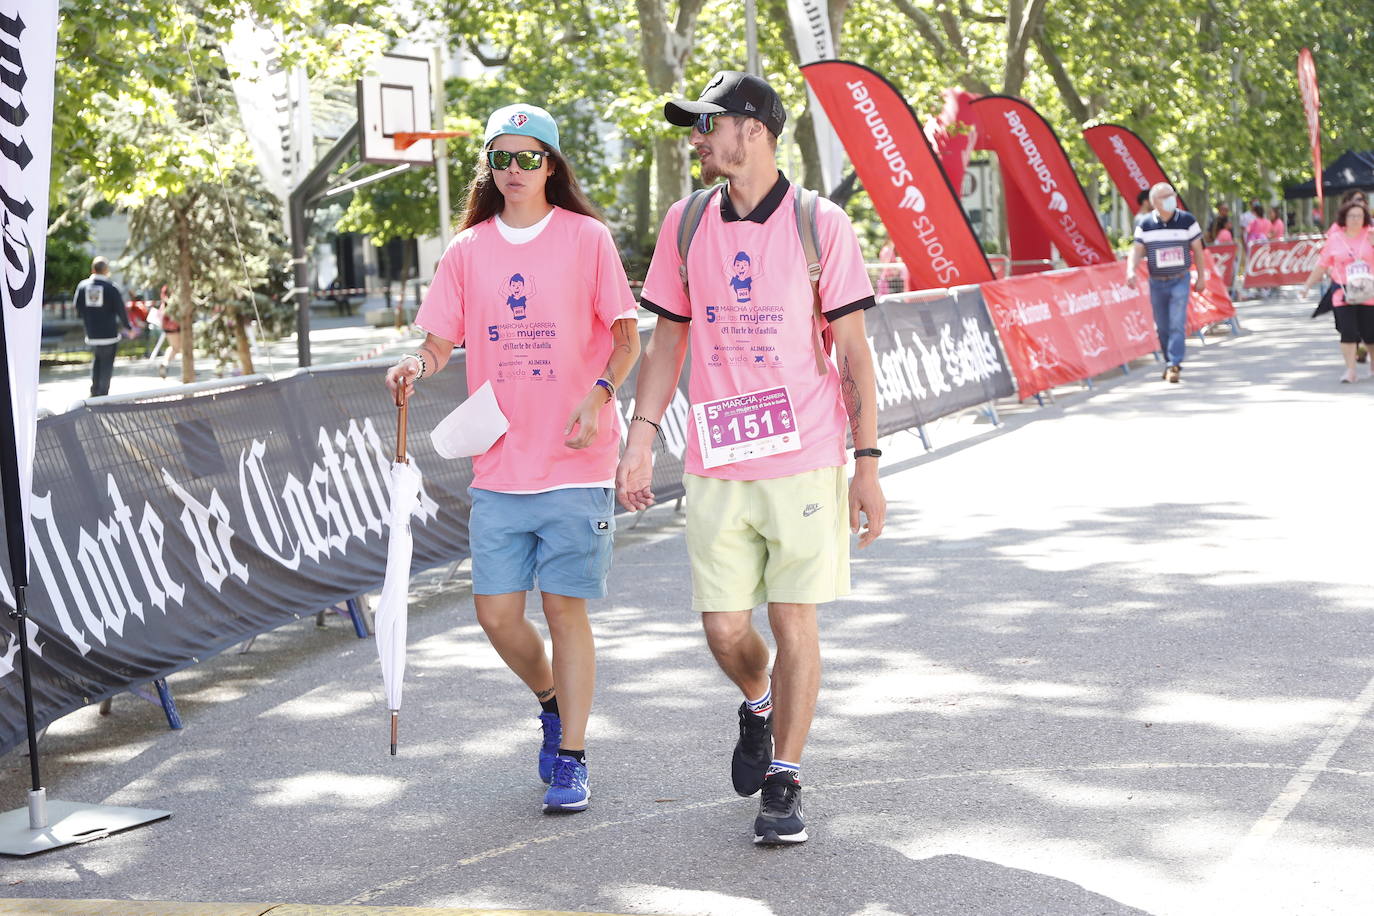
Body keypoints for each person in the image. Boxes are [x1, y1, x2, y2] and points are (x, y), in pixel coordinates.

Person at [617, 71, 886, 846]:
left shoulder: (818, 224)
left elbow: (855, 358)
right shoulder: (686, 221)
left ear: (755, 130)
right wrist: (643, 434)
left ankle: (786, 779)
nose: (697, 139)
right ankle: (758, 701)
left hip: (805, 453)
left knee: (792, 614)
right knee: (724, 626)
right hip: (718, 456)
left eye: (709, 125)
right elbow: (670, 337)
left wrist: (865, 465)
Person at [385, 103, 640, 814]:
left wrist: (599, 395)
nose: (516, 170)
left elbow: (627, 339)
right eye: (503, 158)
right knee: (496, 615)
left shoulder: (587, 239)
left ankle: (573, 757)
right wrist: (416, 363)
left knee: (564, 612)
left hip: (575, 461)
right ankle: (551, 701)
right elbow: (439, 342)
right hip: (500, 462)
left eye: (530, 158)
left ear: (552, 166)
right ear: (490, 166)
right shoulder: (467, 251)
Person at [1126, 182, 1206, 383]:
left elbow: (1197, 250)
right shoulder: (1145, 224)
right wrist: (1130, 270)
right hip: (1157, 282)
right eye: (1165, 196)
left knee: (1176, 322)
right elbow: (1136, 250)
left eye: (1172, 194)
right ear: (1154, 202)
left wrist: (1201, 276)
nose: (1171, 198)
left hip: (1180, 279)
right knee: (1162, 326)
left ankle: (1174, 364)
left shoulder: (1187, 220)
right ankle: (1169, 360)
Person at [1302, 197, 1374, 383]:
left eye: (1359, 216)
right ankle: (1351, 370)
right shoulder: (1335, 239)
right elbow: (1322, 264)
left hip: (1369, 292)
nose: (1356, 219)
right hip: (1343, 291)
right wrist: (1307, 285)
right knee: (1348, 331)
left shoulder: (1371, 235)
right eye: (1351, 216)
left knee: (1370, 333)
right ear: (1344, 218)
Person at [73, 256, 133, 398]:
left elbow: (77, 308)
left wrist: (88, 318)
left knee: (97, 362)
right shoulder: (111, 288)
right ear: (106, 271)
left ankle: (94, 392)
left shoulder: (82, 286)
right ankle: (102, 395)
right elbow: (121, 310)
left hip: (92, 334)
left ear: (93, 269)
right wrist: (128, 327)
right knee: (106, 365)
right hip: (108, 335)